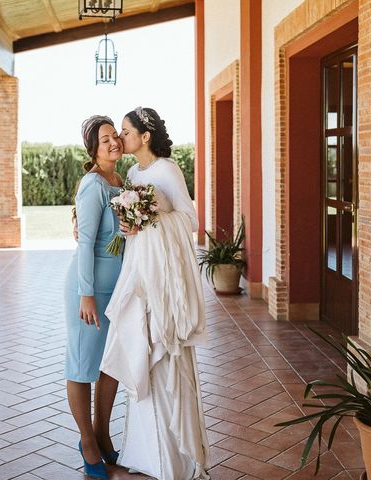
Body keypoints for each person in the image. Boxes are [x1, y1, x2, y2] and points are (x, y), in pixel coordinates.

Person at [100, 107, 210, 480]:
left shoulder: (167, 169)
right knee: (139, 346)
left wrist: (152, 215)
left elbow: (190, 220)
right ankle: (144, 453)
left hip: (163, 276)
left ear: (145, 136)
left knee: (162, 350)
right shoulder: (132, 173)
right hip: (138, 270)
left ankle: (174, 458)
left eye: (126, 132)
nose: (121, 138)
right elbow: (132, 223)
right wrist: (131, 223)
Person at [64, 115, 124, 480]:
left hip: (119, 290)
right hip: (90, 291)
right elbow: (85, 242)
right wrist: (86, 294)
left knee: (111, 365)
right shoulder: (93, 185)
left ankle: (103, 432)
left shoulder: (123, 182)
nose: (114, 142)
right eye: (105, 139)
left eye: (115, 135)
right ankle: (87, 440)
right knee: (83, 365)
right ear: (93, 149)